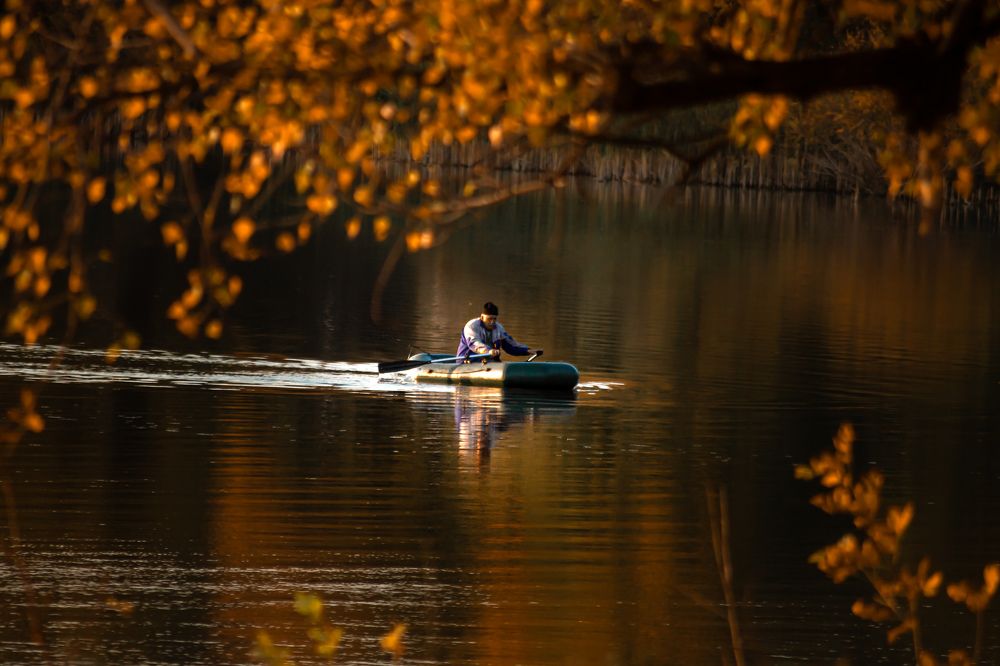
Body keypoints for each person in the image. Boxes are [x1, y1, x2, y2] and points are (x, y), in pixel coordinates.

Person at [456, 302, 541, 361]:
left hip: (488, 363)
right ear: (482, 317)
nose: (492, 322)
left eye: (494, 319)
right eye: (489, 319)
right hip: (468, 361)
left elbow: (510, 346)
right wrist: (488, 351)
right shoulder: (472, 326)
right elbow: (474, 344)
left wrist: (527, 351)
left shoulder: (499, 328)